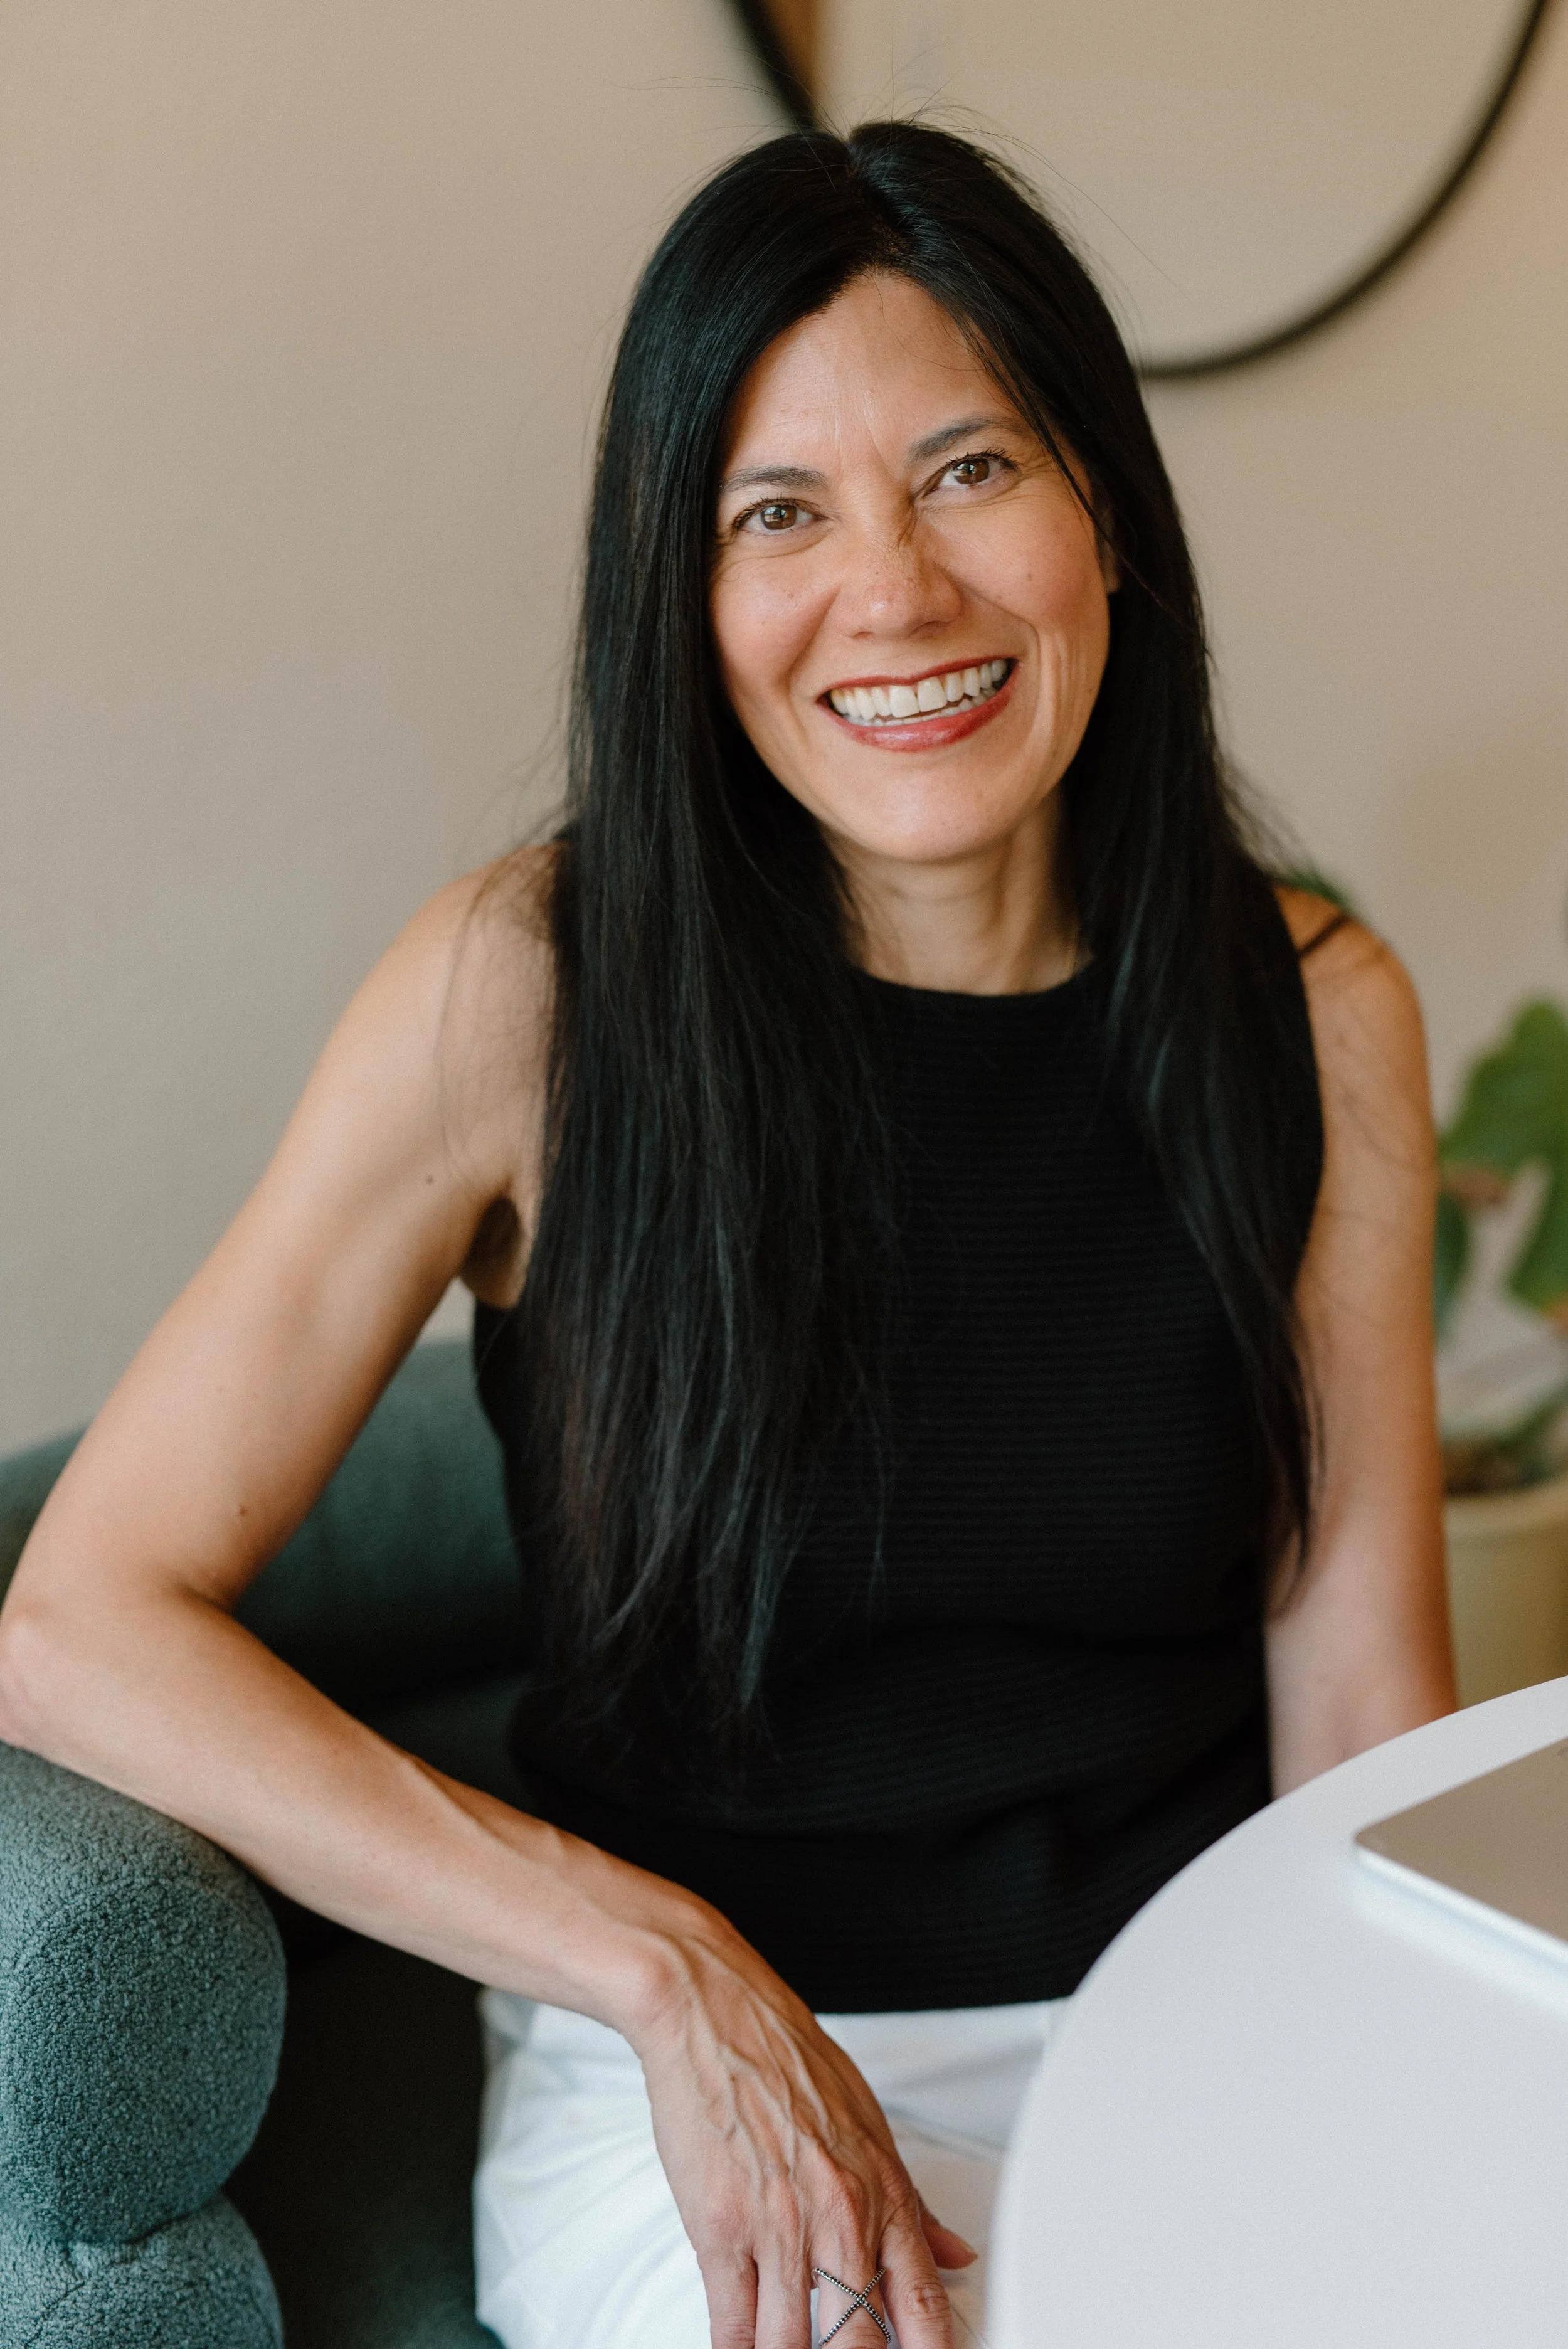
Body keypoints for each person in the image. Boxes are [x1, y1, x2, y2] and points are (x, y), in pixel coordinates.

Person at [0, 123, 1454, 2349]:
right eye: (778, 515)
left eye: (970, 470)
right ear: (683, 600)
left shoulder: (1317, 1016)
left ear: (1107, 523)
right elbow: (83, 1627)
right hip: (704, 2072)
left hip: (1199, 2019)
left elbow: (1358, 1716)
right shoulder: (524, 996)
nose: (892, 595)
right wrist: (655, 1966)